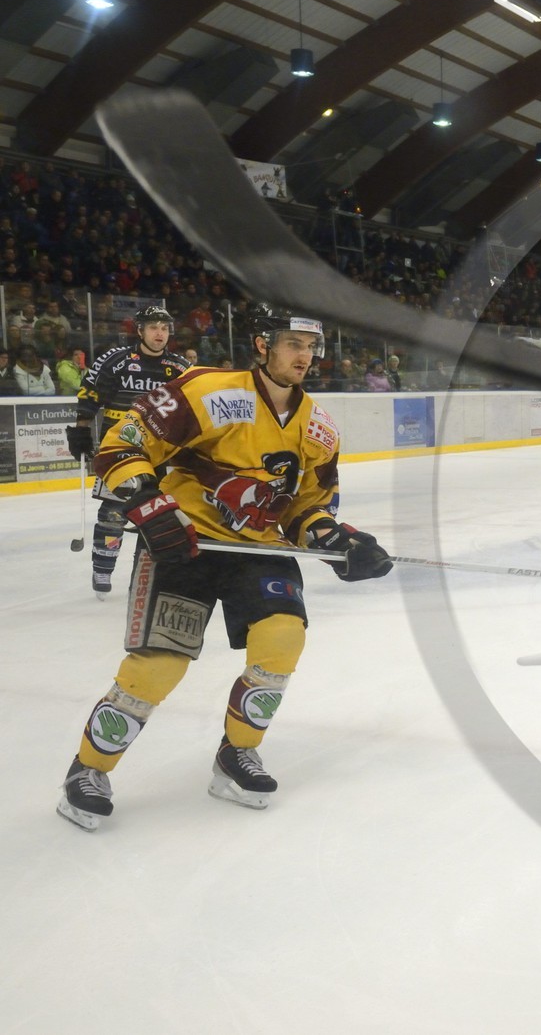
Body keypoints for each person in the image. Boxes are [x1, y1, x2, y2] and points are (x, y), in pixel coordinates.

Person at [55, 305, 393, 832]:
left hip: (257, 550)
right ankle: (88, 770)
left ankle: (236, 755)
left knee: (283, 639)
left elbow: (308, 507)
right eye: (293, 345)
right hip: (182, 547)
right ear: (262, 345)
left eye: (311, 347)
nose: (304, 357)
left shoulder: (319, 427)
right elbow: (122, 443)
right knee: (157, 669)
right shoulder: (206, 389)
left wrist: (338, 540)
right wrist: (149, 505)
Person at [66, 306, 193, 598]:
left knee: (158, 514)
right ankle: (103, 568)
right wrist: (81, 430)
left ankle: (149, 576)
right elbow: (90, 394)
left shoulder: (180, 367)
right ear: (140, 331)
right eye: (153, 327)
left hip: (161, 452)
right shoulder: (116, 360)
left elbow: (194, 407)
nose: (159, 333)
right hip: (119, 448)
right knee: (113, 513)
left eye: (164, 327)